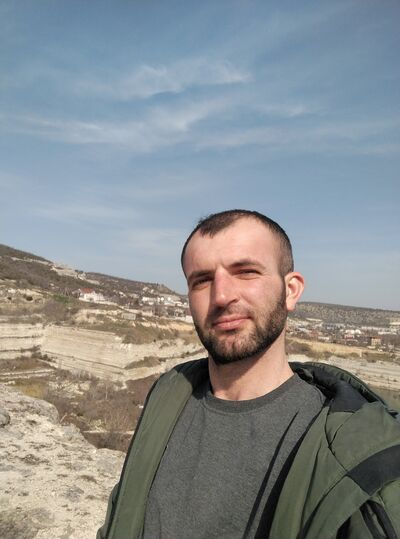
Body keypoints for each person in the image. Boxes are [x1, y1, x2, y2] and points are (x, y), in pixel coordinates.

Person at [98, 209, 400, 539]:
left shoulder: (354, 453)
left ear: (291, 290)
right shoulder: (168, 396)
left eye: (246, 272)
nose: (221, 296)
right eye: (202, 280)